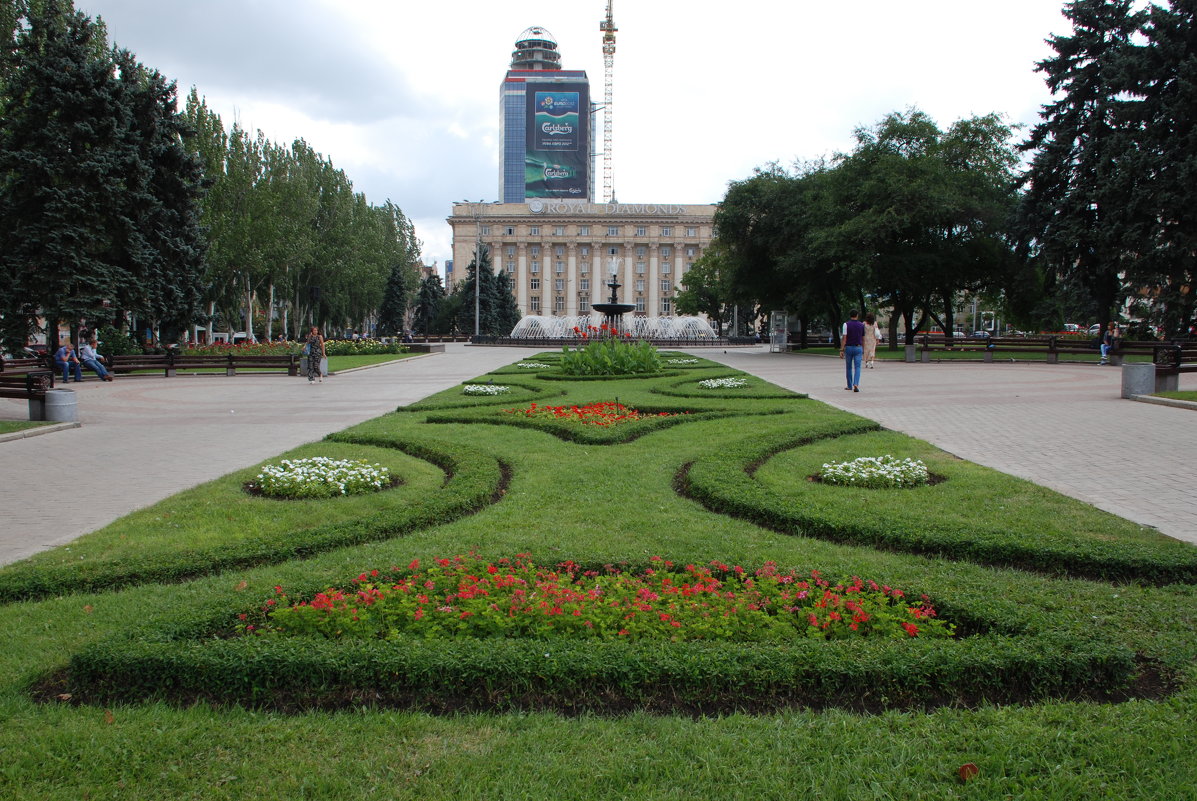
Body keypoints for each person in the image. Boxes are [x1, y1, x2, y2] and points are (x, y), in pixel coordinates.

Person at [839, 309, 865, 392]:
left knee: (849, 367)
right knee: (857, 367)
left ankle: (849, 385)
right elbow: (863, 338)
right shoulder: (861, 325)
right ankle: (856, 384)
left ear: (850, 315)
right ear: (857, 315)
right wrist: (863, 349)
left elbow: (844, 338)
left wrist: (842, 349)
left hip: (849, 348)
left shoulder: (846, 324)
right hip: (858, 347)